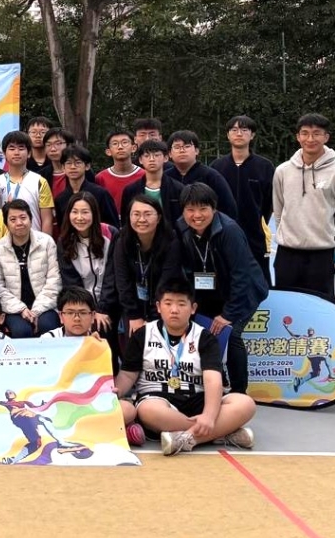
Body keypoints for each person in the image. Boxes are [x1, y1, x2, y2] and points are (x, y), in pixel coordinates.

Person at [115, 280, 256, 455]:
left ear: (193, 308)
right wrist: (115, 392)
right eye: (168, 303)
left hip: (197, 399)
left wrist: (209, 416)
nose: (174, 310)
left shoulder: (205, 337)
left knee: (245, 403)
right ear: (158, 307)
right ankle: (220, 432)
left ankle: (186, 439)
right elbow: (128, 375)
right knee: (147, 411)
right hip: (157, 398)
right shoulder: (143, 334)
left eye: (181, 304)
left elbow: (212, 380)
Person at [174, 183, 267, 394]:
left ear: (214, 208)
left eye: (203, 209)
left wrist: (228, 314)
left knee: (230, 334)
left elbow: (241, 276)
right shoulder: (181, 227)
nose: (197, 215)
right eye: (190, 209)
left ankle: (239, 391)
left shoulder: (229, 230)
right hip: (210, 292)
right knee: (200, 333)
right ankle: (216, 383)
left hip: (244, 292)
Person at [272, 113, 335, 298]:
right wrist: (289, 236)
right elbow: (279, 210)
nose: (310, 139)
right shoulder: (282, 171)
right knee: (287, 306)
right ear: (298, 137)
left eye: (316, 133)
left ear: (326, 137)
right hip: (287, 256)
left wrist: (331, 244)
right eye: (305, 133)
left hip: (321, 257)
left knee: (321, 308)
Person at [104, 196, 184, 339]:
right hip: (133, 306)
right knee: (134, 342)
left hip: (163, 306)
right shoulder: (122, 242)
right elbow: (123, 282)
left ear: (159, 218)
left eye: (147, 214)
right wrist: (134, 316)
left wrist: (153, 318)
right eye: (136, 214)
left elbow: (167, 282)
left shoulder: (171, 242)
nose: (141, 219)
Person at [210, 115, 275, 284]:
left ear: (252, 135)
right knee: (225, 279)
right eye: (234, 130)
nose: (239, 134)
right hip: (222, 234)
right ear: (228, 135)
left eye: (244, 130)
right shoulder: (217, 167)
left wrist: (258, 220)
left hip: (255, 236)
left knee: (259, 280)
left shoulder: (265, 167)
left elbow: (269, 202)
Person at [0, 200, 61, 338]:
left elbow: (55, 281)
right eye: (13, 219)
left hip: (45, 305)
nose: (19, 223)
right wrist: (21, 309)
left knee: (48, 326)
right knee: (21, 331)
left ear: (31, 219)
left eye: (23, 217)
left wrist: (36, 310)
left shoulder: (47, 242)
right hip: (14, 308)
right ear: (6, 224)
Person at [56, 192, 115, 333]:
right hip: (81, 306)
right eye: (75, 212)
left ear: (94, 213)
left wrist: (101, 309)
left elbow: (112, 277)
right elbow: (71, 282)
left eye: (85, 212)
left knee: (104, 328)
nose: (79, 217)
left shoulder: (110, 234)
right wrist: (88, 313)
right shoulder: (64, 241)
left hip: (109, 303)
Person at [164, 131, 238, 219]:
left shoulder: (211, 176)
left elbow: (229, 208)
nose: (182, 150)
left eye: (187, 146)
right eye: (177, 147)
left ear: (196, 151)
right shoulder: (164, 178)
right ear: (170, 153)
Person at [0, 132, 54, 234]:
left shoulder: (40, 181)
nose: (16, 152)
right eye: (12, 148)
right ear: (4, 153)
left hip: (33, 241)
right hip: (3, 241)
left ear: (29, 153)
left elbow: (47, 219)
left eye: (21, 148)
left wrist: (45, 242)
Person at [54, 145, 119, 229]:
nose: (73, 167)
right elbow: (62, 229)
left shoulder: (100, 194)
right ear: (63, 167)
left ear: (87, 166)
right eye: (68, 163)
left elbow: (113, 227)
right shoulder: (60, 198)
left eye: (78, 163)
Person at [122, 139, 184, 226]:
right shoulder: (131, 190)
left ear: (166, 158)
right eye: (147, 156)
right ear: (140, 160)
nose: (152, 159)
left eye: (156, 155)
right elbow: (126, 221)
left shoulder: (178, 188)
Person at [95, 129, 143, 216]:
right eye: (115, 143)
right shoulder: (100, 178)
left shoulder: (144, 175)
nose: (120, 147)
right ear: (108, 151)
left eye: (124, 142)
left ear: (134, 148)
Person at [25, 116, 55, 184]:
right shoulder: (22, 160)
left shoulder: (56, 160)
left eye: (43, 132)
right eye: (33, 132)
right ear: (27, 134)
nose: (38, 136)